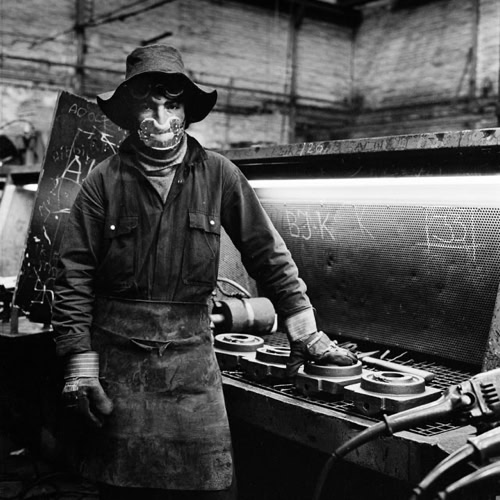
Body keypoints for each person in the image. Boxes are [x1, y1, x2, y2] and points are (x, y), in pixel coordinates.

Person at [51, 44, 357, 500]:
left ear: (186, 112)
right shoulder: (102, 181)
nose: (160, 117)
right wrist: (79, 366)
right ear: (131, 114)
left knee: (212, 490)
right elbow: (73, 274)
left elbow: (268, 254)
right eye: (149, 106)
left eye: (171, 105)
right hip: (120, 367)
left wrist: (306, 333)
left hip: (191, 367)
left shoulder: (220, 175)